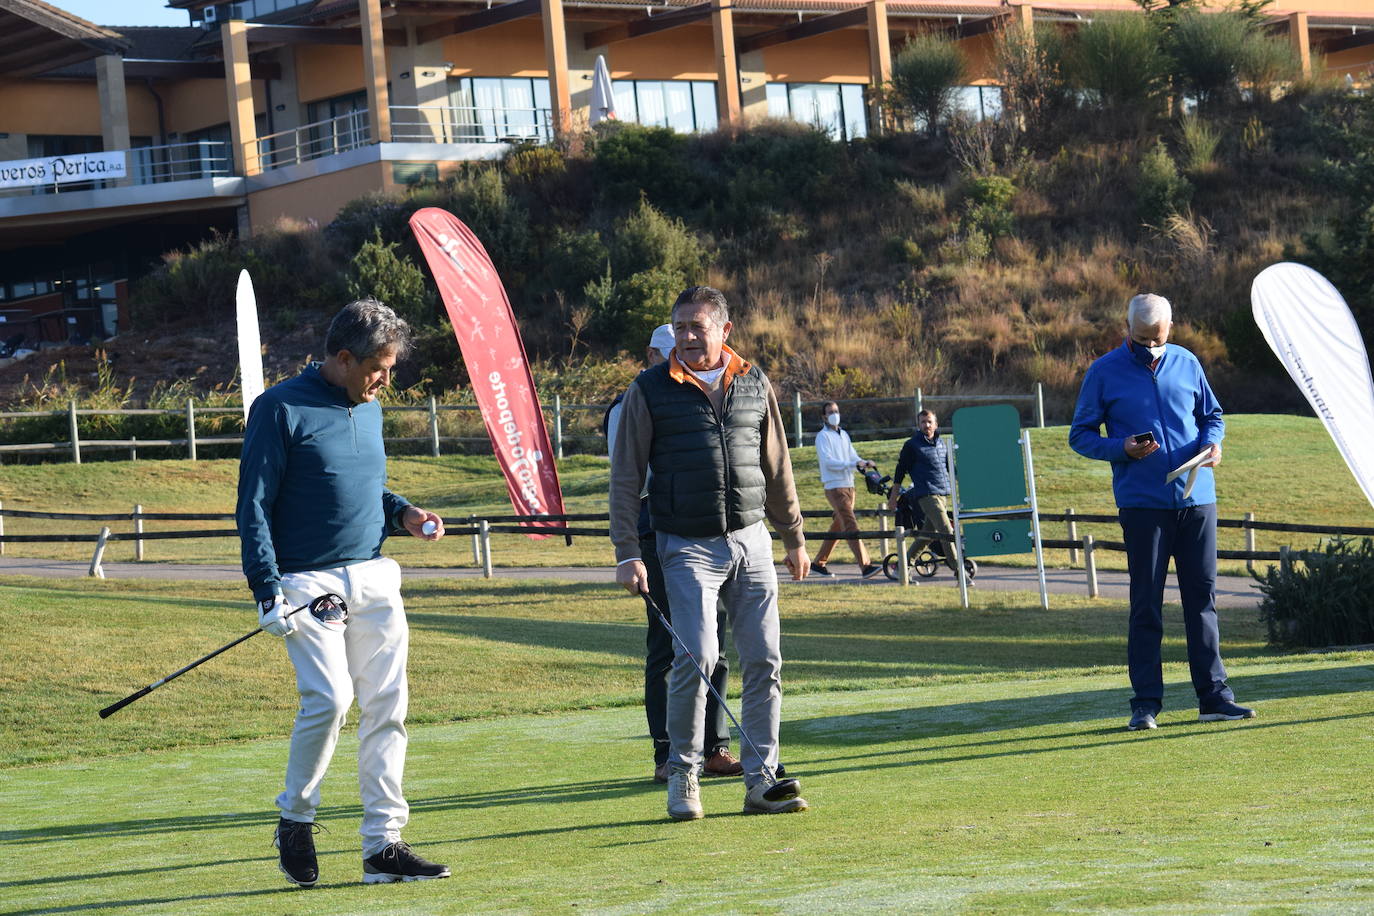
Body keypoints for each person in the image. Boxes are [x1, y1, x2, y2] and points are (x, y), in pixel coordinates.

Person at [237, 299, 451, 887]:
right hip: (306, 583)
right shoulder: (279, 408)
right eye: (378, 368)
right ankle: (295, 817)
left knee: (388, 707)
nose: (386, 380)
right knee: (329, 699)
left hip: (375, 575)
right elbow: (252, 505)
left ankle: (384, 845)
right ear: (342, 358)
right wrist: (266, 588)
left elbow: (363, 487)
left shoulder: (369, 407)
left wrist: (403, 513)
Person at [610, 286, 811, 820]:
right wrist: (627, 550)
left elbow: (777, 466)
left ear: (725, 330)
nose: (689, 337)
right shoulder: (649, 389)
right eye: (680, 328)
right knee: (695, 658)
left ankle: (762, 782)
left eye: (698, 327)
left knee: (765, 660)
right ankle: (683, 775)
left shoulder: (754, 381)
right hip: (686, 546)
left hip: (752, 540)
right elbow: (626, 476)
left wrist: (793, 536)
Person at [1069, 293, 1255, 732]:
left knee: (1202, 601)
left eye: (1157, 337)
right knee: (1145, 606)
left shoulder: (1188, 362)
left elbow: (1212, 414)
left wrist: (1214, 443)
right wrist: (1121, 448)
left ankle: (1214, 696)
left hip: (1197, 500)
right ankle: (1146, 704)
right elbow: (1080, 435)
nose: (1151, 345)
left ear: (1170, 327)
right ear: (1127, 328)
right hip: (1142, 505)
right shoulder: (1103, 372)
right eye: (1142, 338)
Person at [605, 323, 743, 784]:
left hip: (703, 533)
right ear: (651, 354)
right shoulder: (631, 403)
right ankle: (667, 752)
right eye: (666, 353)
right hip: (654, 531)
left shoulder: (701, 395)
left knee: (714, 642)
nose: (675, 362)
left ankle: (715, 746)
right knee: (669, 645)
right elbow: (630, 476)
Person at [812, 401, 881, 579]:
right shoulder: (822, 437)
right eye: (830, 412)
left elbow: (852, 455)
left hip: (849, 486)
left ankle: (818, 563)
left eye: (836, 410)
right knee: (850, 524)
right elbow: (828, 462)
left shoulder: (844, 434)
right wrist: (852, 464)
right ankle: (866, 566)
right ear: (824, 416)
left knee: (838, 525)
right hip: (834, 486)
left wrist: (863, 462)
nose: (834, 414)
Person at [887, 409, 959, 575]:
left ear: (936, 424)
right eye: (922, 422)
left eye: (929, 421)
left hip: (942, 493)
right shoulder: (912, 445)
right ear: (918, 425)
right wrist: (893, 497)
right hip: (926, 494)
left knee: (928, 534)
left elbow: (951, 468)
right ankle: (959, 570)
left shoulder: (943, 444)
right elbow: (900, 471)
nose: (926, 425)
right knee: (946, 531)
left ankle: (902, 566)